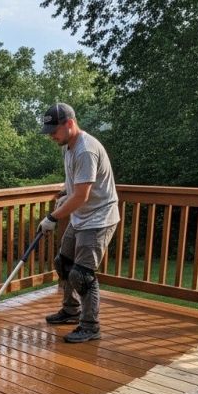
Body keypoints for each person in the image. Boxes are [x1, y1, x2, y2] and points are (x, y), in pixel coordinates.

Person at [37, 103, 120, 343]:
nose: (51, 135)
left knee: (82, 275)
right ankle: (71, 311)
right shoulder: (68, 147)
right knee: (63, 263)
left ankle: (90, 325)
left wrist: (53, 217)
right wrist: (65, 193)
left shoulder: (85, 150)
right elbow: (75, 185)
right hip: (81, 216)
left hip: (98, 219)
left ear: (70, 124)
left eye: (54, 130)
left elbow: (83, 195)